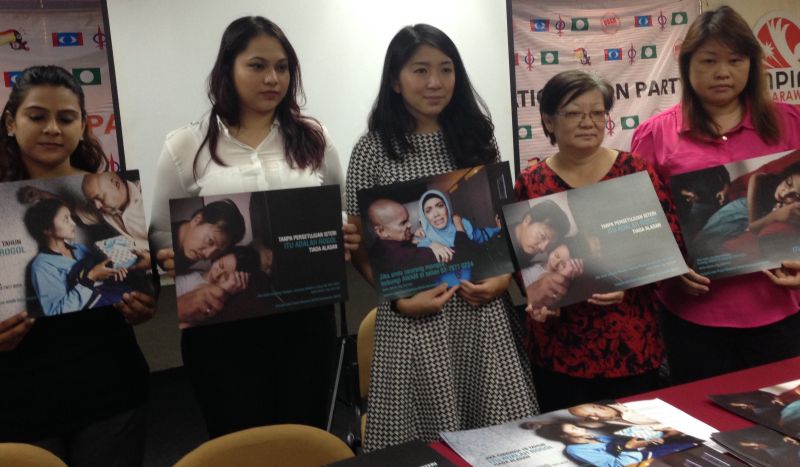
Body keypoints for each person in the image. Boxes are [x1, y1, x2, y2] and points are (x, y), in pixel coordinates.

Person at [148, 16, 359, 439]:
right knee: (239, 438)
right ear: (228, 68)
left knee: (305, 436)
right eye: (257, 65)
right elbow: (157, 233)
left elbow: (338, 210)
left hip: (306, 320)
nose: (272, 78)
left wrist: (346, 235)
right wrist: (166, 254)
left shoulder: (313, 137)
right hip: (224, 329)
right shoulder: (186, 145)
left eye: (282, 67)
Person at [346, 24, 537, 451]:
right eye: (420, 71)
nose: (435, 82)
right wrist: (396, 298)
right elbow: (362, 246)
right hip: (414, 318)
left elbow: (501, 222)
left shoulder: (476, 138)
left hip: (481, 310)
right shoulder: (371, 150)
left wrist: (503, 277)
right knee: (422, 447)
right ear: (395, 80)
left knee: (500, 442)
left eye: (446, 69)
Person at [630, 6, 800, 383]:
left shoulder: (791, 124)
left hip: (780, 310)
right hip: (693, 316)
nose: (723, 72)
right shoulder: (656, 136)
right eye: (709, 61)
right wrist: (667, 271)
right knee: (703, 428)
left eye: (735, 60)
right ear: (687, 65)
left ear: (752, 64)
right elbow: (640, 225)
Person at [0, 65, 154, 466]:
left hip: (109, 388)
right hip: (18, 394)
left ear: (83, 125)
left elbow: (134, 277)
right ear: (11, 123)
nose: (52, 127)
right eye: (37, 116)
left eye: (66, 118)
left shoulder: (105, 200)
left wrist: (143, 303)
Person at [514, 70, 681, 412]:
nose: (587, 122)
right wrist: (540, 299)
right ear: (548, 120)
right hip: (559, 349)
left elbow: (671, 244)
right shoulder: (532, 182)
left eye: (597, 112)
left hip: (631, 343)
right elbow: (521, 265)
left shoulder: (634, 170)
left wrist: (630, 282)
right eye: (573, 113)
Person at [24, 199, 130, 315]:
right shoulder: (42, 266)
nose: (73, 223)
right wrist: (90, 278)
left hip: (112, 297)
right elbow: (55, 312)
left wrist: (113, 271)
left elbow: (100, 275)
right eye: (66, 219)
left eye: (71, 217)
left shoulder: (79, 248)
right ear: (47, 229)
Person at [175, 245, 259, 327]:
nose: (217, 274)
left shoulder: (214, 297)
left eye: (226, 277)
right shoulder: (194, 271)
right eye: (221, 265)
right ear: (217, 258)